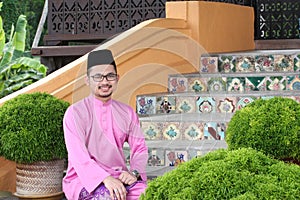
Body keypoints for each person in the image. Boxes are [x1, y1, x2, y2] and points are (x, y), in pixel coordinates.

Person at [62, 49, 148, 200]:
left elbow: (140, 148)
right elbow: (79, 157)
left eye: (110, 76)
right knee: (109, 196)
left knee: (150, 194)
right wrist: (105, 178)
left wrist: (134, 172)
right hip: (82, 180)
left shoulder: (127, 112)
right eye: (98, 77)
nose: (104, 81)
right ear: (87, 80)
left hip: (119, 178)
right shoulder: (75, 113)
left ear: (117, 78)